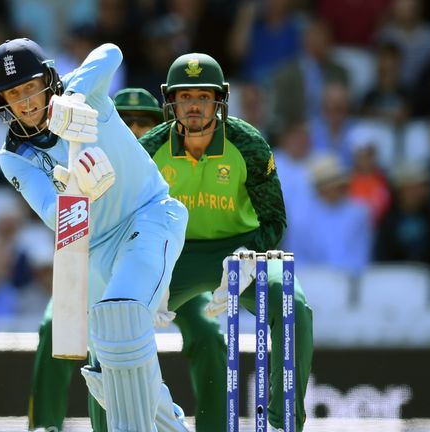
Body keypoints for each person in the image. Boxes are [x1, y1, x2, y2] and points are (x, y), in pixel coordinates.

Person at [0, 39, 189, 431]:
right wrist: (75, 188)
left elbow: (112, 51)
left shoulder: (84, 90)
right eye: (14, 94)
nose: (26, 102)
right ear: (3, 103)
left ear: (48, 80)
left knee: (121, 315)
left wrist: (75, 100)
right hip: (92, 250)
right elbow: (51, 214)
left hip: (148, 215)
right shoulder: (14, 155)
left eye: (31, 87)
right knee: (106, 370)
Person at [139, 53, 313, 432]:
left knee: (293, 304)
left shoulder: (247, 144)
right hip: (175, 255)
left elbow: (274, 218)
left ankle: (283, 424)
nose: (196, 106)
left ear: (220, 99)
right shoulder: (149, 149)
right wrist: (150, 266)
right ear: (171, 100)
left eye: (204, 96)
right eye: (186, 97)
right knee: (114, 315)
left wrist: (252, 254)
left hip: (241, 250)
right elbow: (131, 218)